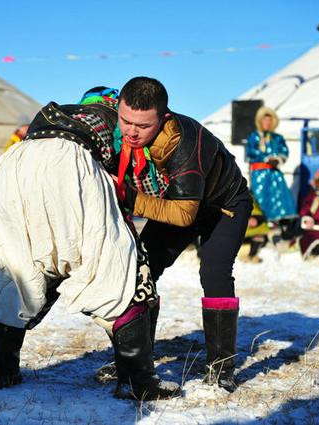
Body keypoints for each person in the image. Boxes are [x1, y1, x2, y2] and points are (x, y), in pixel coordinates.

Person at [0, 88, 179, 400]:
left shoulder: (61, 112)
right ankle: (136, 381)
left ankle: (2, 368)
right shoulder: (117, 121)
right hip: (70, 166)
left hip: (13, 168)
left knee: (16, 263)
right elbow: (144, 180)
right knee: (115, 265)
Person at [113, 77, 251, 391]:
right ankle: (136, 361)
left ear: (164, 117)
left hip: (223, 205)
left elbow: (183, 214)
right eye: (125, 121)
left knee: (214, 272)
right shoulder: (122, 124)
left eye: (143, 126)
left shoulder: (185, 145)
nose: (132, 131)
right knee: (141, 268)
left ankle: (221, 370)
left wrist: (128, 198)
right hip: (176, 200)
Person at [245, 107, 297, 235]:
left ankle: (280, 227)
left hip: (274, 174)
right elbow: (250, 153)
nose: (267, 123)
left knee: (279, 199)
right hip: (259, 174)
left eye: (270, 120)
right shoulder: (253, 136)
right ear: (260, 121)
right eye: (265, 120)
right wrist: (265, 158)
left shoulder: (277, 138)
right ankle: (260, 226)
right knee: (260, 198)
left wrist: (278, 159)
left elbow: (284, 151)